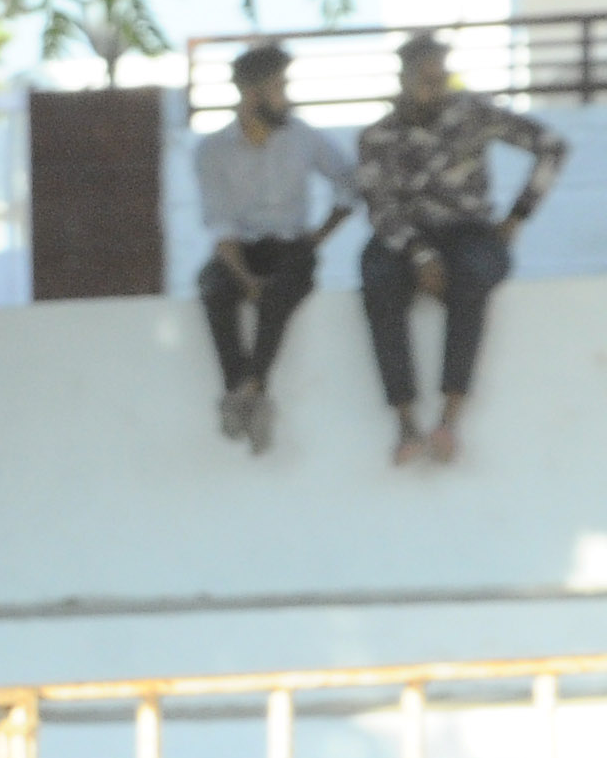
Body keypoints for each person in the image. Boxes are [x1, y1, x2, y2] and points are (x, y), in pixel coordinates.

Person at [353, 30, 569, 466]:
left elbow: (551, 147)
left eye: (441, 78)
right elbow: (379, 206)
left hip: (469, 230)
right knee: (378, 280)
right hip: (404, 236)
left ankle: (449, 419)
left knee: (473, 278)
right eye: (426, 79)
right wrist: (419, 255)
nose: (436, 88)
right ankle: (405, 421)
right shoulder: (378, 136)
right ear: (405, 79)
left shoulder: (472, 113)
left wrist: (518, 216)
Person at [190, 43, 354, 454]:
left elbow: (350, 184)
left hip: (291, 246)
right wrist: (244, 277)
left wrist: (318, 236)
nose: (286, 96)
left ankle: (246, 391)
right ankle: (246, 391)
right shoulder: (212, 151)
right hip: (239, 250)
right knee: (213, 288)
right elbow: (220, 224)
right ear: (252, 94)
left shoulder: (303, 138)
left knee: (283, 289)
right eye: (279, 87)